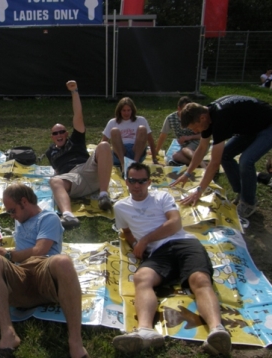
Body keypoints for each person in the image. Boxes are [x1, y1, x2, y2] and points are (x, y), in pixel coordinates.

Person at [112, 162, 231, 356]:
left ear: (149, 182)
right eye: (133, 180)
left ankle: (217, 331)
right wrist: (136, 245)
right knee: (141, 278)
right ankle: (145, 331)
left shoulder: (162, 196)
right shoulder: (120, 207)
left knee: (199, 279)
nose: (137, 185)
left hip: (183, 243)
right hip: (158, 254)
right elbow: (126, 231)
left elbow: (175, 223)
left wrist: (145, 239)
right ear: (126, 181)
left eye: (142, 181)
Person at [0, 183, 89, 358]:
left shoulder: (48, 218)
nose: (11, 216)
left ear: (24, 202)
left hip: (44, 274)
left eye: (12, 210)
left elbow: (40, 250)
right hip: (21, 278)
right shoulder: (20, 220)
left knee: (63, 261)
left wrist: (8, 255)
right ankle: (8, 335)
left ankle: (76, 343)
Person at [172, 95, 272, 218]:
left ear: (202, 118)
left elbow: (214, 163)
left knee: (246, 161)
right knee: (226, 155)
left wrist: (199, 191)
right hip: (250, 127)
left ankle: (249, 202)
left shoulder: (220, 118)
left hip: (268, 125)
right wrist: (187, 173)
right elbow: (201, 148)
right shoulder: (207, 116)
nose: (195, 132)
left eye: (195, 128)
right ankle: (243, 193)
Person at [46, 81, 113, 230]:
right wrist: (59, 181)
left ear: (66, 133)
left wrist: (74, 92)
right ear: (52, 137)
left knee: (104, 146)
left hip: (88, 169)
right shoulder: (50, 152)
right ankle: (68, 216)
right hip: (73, 179)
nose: (59, 135)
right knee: (54, 181)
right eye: (55, 133)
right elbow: (57, 171)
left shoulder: (76, 139)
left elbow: (78, 117)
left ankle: (103, 195)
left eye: (62, 131)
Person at [101, 97, 158, 171]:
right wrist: (99, 159)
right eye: (124, 110)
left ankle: (135, 164)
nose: (126, 113)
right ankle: (123, 165)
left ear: (132, 110)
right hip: (120, 152)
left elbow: (150, 140)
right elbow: (103, 142)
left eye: (128, 110)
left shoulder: (141, 120)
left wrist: (154, 159)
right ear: (119, 111)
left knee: (142, 129)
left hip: (136, 150)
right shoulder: (112, 122)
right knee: (114, 131)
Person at [155, 96, 206, 167]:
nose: (187, 113)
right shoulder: (171, 118)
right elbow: (163, 135)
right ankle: (201, 164)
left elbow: (205, 135)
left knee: (185, 150)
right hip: (185, 147)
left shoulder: (194, 117)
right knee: (176, 156)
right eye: (184, 110)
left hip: (198, 143)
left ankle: (204, 166)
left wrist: (189, 137)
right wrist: (156, 150)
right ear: (179, 108)